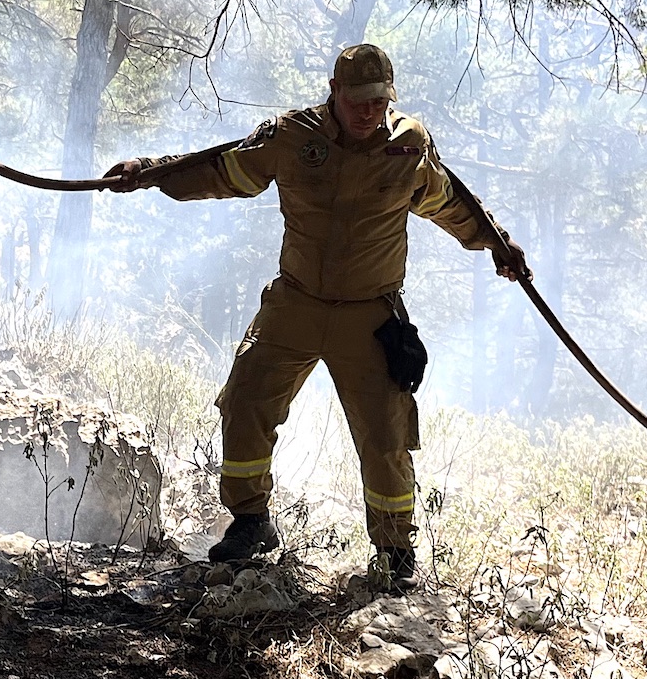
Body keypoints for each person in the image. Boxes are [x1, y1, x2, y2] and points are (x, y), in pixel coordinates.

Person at [104, 44, 529, 586]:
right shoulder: (291, 137)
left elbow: (449, 201)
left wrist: (497, 244)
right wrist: (151, 173)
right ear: (335, 93)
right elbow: (224, 169)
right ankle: (251, 521)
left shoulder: (409, 146)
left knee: (385, 436)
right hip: (295, 303)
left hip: (370, 315)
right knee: (246, 401)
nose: (368, 112)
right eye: (357, 100)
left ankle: (395, 555)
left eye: (379, 101)